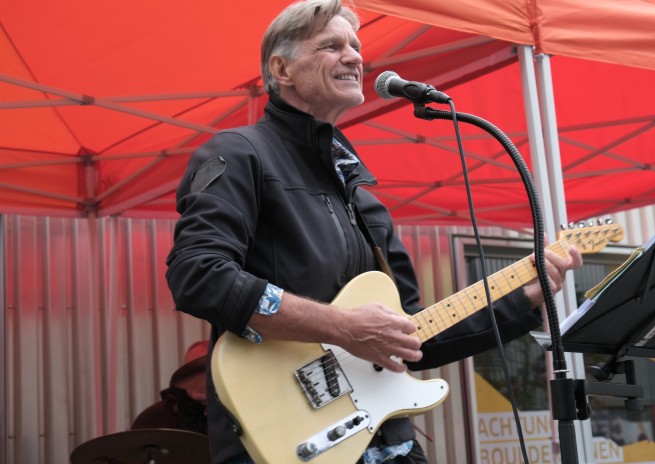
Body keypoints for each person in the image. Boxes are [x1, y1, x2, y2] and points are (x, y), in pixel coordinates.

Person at [164, 1, 583, 462]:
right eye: (331, 46)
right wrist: (343, 327)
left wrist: (523, 298)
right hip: (288, 444)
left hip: (388, 444)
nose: (354, 57)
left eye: (355, 46)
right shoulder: (239, 153)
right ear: (282, 69)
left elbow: (410, 334)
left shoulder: (363, 199)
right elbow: (198, 275)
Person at [131, 340, 209, 435]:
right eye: (193, 371)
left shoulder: (225, 416)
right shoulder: (154, 419)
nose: (201, 380)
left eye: (207, 372)